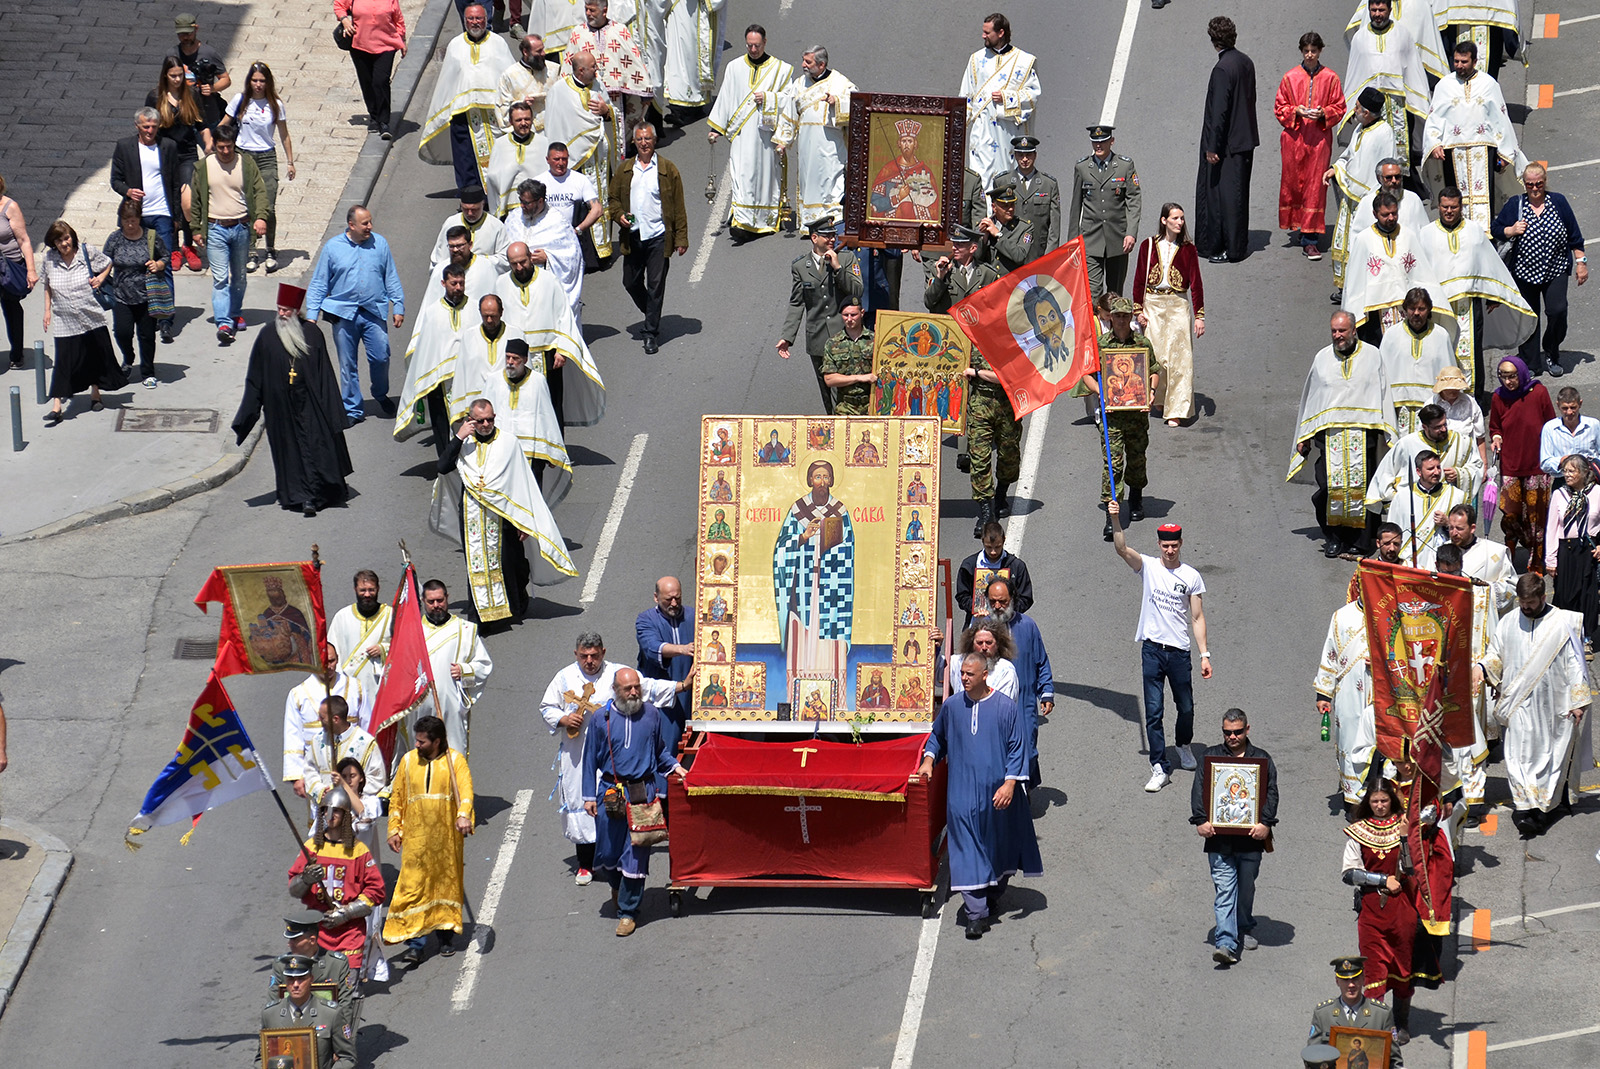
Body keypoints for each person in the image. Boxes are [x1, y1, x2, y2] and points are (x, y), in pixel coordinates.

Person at [916, 653, 1043, 939]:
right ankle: (975, 914)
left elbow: (1017, 749)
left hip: (997, 797)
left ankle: (992, 893)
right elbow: (938, 737)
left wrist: (1010, 784)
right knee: (965, 848)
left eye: (969, 674)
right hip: (960, 795)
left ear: (984, 675)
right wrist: (928, 760)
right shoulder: (951, 706)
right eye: (961, 674)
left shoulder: (1005, 707)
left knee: (999, 848)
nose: (963, 678)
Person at [542, 634, 684, 884]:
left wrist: (680, 686)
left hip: (613, 755)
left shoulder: (617, 674)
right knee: (581, 802)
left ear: (603, 652)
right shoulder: (564, 677)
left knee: (613, 810)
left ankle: (615, 859)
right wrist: (564, 719)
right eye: (584, 656)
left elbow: (646, 686)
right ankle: (585, 863)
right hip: (578, 751)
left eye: (595, 655)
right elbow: (547, 707)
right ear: (575, 654)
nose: (589, 661)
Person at [434, 398, 577, 625]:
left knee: (512, 563)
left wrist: (523, 521)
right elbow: (442, 467)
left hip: (504, 515)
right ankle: (483, 615)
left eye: (490, 419)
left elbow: (521, 483)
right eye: (480, 421)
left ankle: (517, 603)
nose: (486, 424)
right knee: (476, 564)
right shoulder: (463, 444)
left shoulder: (508, 442)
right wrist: (459, 436)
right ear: (471, 420)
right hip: (472, 515)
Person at [1477, 573, 1594, 837]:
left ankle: (1542, 809)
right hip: (1518, 705)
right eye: (1522, 602)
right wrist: (1483, 668)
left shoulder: (1564, 623)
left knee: (1549, 758)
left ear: (1543, 597)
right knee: (1518, 758)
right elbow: (1496, 653)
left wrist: (1578, 701)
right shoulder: (1508, 622)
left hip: (1554, 706)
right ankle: (1524, 808)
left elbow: (1576, 664)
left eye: (1531, 602)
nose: (1526, 608)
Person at [1109, 503, 1212, 791]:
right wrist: (1116, 519)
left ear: (1180, 544)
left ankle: (1183, 745)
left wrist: (1204, 654)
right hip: (1152, 650)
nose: (1169, 550)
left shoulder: (1191, 576)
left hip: (1179, 652)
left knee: (1186, 707)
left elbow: (1197, 616)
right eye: (1165, 545)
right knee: (1154, 711)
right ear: (1159, 545)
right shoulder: (1148, 567)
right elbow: (1121, 549)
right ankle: (1159, 766)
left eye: (1174, 545)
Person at [580, 668, 688, 936]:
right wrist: (587, 796)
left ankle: (628, 912)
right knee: (608, 852)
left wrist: (675, 767)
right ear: (616, 690)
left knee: (636, 851)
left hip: (643, 793)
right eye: (627, 688)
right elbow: (589, 758)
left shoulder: (652, 714)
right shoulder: (600, 718)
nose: (633, 692)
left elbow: (660, 750)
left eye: (636, 687)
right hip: (610, 793)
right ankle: (617, 886)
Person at [231, 284, 352, 516]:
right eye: (279, 309)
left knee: (316, 447)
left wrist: (333, 413)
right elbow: (255, 376)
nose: (282, 314)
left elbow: (325, 374)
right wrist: (248, 413)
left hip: (310, 404)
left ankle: (319, 493)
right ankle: (301, 496)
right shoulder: (267, 335)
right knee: (290, 452)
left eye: (287, 310)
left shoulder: (312, 334)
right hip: (280, 408)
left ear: (297, 311)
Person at [1290, 312, 1396, 558]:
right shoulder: (1322, 358)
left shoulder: (1372, 356)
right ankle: (1334, 538)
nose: (1337, 336)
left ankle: (1361, 541)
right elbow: (1312, 398)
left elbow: (1382, 392)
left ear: (1354, 330)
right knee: (1329, 488)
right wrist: (1304, 436)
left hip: (1364, 434)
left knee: (1364, 488)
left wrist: (1387, 429)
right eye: (1334, 331)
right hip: (1331, 436)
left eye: (1342, 331)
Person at [927, 226, 1009, 532]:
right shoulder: (944, 272)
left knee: (983, 402)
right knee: (958, 403)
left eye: (960, 245)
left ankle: (994, 486)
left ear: (973, 248)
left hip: (983, 347)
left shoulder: (988, 274)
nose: (954, 249)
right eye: (954, 245)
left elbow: (1001, 303)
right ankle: (969, 454)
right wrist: (939, 277)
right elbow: (930, 302)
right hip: (954, 348)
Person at [1421, 187, 1534, 396]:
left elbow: (1487, 263)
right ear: (1439, 207)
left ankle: (1475, 398)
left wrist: (1493, 295)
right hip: (1439, 305)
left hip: (1469, 304)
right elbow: (1420, 270)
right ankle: (1442, 396)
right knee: (1441, 349)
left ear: (1461, 207)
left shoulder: (1473, 230)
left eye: (1453, 207)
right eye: (1445, 207)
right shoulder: (1426, 234)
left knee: (1471, 351)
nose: (1448, 211)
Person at [383, 715, 474, 966]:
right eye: (416, 739)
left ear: (437, 741)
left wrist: (463, 816)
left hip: (446, 840)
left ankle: (445, 938)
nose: (416, 744)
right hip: (416, 840)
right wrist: (394, 830)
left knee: (444, 886)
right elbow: (397, 798)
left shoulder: (456, 761)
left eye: (422, 741)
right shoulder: (408, 761)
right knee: (413, 888)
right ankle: (415, 943)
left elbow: (465, 792)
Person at [1188, 709, 1276, 965]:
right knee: (1225, 889)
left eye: (1237, 732)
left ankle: (1244, 926)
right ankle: (1225, 942)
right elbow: (1199, 789)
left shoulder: (1262, 759)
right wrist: (1200, 820)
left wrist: (1266, 824)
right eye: (1227, 732)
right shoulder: (1210, 756)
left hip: (1251, 840)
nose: (1232, 736)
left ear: (1248, 729)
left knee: (1246, 889)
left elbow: (1271, 793)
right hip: (1219, 840)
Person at [306, 205, 406, 426]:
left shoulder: (380, 244)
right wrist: (311, 316)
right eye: (365, 223)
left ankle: (380, 394)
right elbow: (319, 283)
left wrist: (398, 305)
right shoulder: (333, 248)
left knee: (381, 356)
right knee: (347, 363)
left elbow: (390, 276)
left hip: (373, 312)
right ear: (351, 225)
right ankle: (352, 408)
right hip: (344, 314)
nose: (370, 226)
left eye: (370, 222)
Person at [496, 239, 604, 428]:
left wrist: (562, 349)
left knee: (552, 405)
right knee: (521, 407)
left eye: (523, 261)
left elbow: (564, 316)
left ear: (531, 258)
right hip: (516, 357)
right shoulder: (501, 284)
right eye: (514, 264)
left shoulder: (549, 280)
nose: (520, 267)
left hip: (547, 355)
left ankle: (556, 453)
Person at [1493, 164, 1588, 377]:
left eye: (1539, 184)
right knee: (1528, 317)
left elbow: (1575, 236)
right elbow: (1496, 229)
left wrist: (1581, 263)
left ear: (1544, 182)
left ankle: (1552, 351)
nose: (1535, 188)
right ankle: (1530, 362)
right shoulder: (1515, 205)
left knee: (1558, 311)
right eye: (1530, 184)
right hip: (1524, 272)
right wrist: (1511, 230)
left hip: (1555, 270)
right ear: (1524, 184)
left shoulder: (1558, 202)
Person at [1341, 782, 1418, 1038]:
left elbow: (1410, 869)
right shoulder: (1358, 831)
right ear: (1368, 803)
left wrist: (1406, 837)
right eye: (1375, 801)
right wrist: (1383, 880)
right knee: (1374, 971)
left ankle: (1402, 1021)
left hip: (1401, 911)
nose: (1380, 805)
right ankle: (1380, 1028)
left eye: (1384, 800)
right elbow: (1349, 874)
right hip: (1372, 913)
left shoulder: (1403, 825)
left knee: (1402, 967)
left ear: (1391, 801)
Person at [773, 460, 856, 696]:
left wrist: (833, 548)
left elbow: (848, 548)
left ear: (831, 480)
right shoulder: (798, 510)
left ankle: (834, 696)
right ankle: (796, 696)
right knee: (803, 642)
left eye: (826, 477)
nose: (822, 482)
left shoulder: (840, 511)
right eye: (817, 477)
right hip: (804, 589)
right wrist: (803, 537)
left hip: (832, 587)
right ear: (810, 480)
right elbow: (781, 550)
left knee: (830, 644)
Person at [1422, 42, 1526, 230]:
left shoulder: (1488, 84)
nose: (1459, 66)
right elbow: (1434, 116)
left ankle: (1485, 235)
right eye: (1456, 61)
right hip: (1452, 151)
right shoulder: (1444, 85)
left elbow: (1500, 118)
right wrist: (1435, 143)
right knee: (1456, 195)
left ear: (1475, 61)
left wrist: (1504, 152)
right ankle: (1458, 231)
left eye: (1464, 61)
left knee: (1484, 195)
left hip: (1483, 150)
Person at [287, 783, 386, 975]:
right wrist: (305, 879)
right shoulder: (312, 848)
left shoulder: (358, 851)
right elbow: (293, 888)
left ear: (346, 815)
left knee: (348, 993)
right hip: (317, 930)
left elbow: (376, 891)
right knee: (320, 993)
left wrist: (347, 912)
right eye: (326, 810)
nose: (330, 815)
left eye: (336, 811)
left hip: (349, 933)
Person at [1085, 296, 1161, 534]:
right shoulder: (1101, 344)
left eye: (1124, 316)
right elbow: (1086, 375)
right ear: (1111, 317)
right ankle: (1113, 514)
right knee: (1112, 464)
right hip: (1112, 417)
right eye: (1116, 316)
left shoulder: (1141, 344)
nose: (1120, 320)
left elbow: (1154, 371)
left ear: (1130, 318)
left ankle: (1136, 497)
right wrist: (1102, 391)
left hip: (1136, 415)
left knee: (1137, 458)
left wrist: (1150, 392)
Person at [707, 25, 791, 240]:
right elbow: (726, 96)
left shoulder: (781, 70)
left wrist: (771, 98)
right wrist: (716, 129)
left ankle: (764, 220)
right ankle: (742, 221)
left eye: (757, 45)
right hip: (742, 136)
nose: (753, 49)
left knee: (765, 178)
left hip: (766, 137)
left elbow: (790, 101)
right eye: (750, 45)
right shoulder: (734, 67)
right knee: (741, 174)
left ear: (765, 43)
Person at [420, 5, 515, 193]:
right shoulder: (455, 45)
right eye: (470, 19)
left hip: (491, 114)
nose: (475, 22)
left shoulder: (498, 43)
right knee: (465, 158)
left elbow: (510, 75)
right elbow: (447, 82)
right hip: (462, 115)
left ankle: (495, 194)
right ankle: (469, 196)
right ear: (464, 21)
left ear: (486, 19)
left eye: (479, 18)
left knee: (496, 155)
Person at [611, 123, 687, 355]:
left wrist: (681, 238)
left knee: (656, 286)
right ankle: (652, 311)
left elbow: (678, 206)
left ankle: (650, 333)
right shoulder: (625, 170)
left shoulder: (667, 169)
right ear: (634, 142)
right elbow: (613, 201)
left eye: (648, 139)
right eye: (640, 139)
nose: (644, 143)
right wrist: (620, 216)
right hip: (634, 237)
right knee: (630, 282)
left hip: (658, 237)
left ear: (654, 141)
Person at [189, 125, 268, 345]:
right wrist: (196, 229)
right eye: (221, 147)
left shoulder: (246, 164)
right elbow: (195, 200)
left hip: (241, 227)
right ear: (214, 144)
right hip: (215, 229)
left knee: (240, 276)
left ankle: (234, 312)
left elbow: (259, 192)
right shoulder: (204, 167)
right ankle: (223, 322)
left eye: (229, 147)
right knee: (221, 278)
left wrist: (260, 217)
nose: (225, 151)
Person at [777, 218, 864, 413]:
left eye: (833, 235)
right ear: (814, 238)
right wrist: (787, 337)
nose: (832, 239)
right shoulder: (800, 266)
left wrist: (837, 268)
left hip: (845, 336)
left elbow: (857, 291)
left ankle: (847, 426)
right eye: (827, 236)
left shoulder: (846, 258)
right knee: (826, 391)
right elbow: (796, 302)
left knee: (846, 389)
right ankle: (833, 425)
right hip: (818, 339)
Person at [109, 108, 180, 343]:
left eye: (154, 126)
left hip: (161, 212)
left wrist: (176, 215)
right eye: (145, 127)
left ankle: (165, 319)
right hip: (135, 215)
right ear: (137, 126)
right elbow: (115, 179)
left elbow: (175, 182)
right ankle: (130, 311)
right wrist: (128, 191)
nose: (150, 131)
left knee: (163, 264)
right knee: (129, 264)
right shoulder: (124, 146)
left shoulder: (168, 146)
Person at [39, 220, 119, 426]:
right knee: (64, 361)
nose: (64, 243)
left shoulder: (86, 252)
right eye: (59, 240)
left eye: (66, 238)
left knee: (93, 355)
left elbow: (108, 262)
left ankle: (95, 394)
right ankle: (57, 406)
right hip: (64, 319)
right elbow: (47, 285)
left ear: (72, 237)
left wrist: (101, 278)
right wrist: (47, 310)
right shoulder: (49, 259)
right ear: (53, 243)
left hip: (90, 314)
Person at [1133, 203, 1205, 426]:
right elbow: (1138, 279)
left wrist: (1199, 315)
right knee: (1155, 355)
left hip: (1177, 305)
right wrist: (1138, 310)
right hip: (1153, 304)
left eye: (1182, 218)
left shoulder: (1188, 249)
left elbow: (1196, 283)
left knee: (1180, 358)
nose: (1180, 222)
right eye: (1175, 218)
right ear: (1164, 220)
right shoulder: (1148, 245)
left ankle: (1177, 409)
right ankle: (1159, 398)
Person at [1194, 16, 1258, 264]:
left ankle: (1224, 247)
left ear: (1213, 40)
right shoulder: (1245, 62)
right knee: (1239, 195)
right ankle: (1238, 244)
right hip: (1244, 139)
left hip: (1226, 144)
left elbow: (1219, 112)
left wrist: (1212, 147)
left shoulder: (1222, 69)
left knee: (1222, 198)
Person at [1343, 194, 1449, 344]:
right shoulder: (1363, 240)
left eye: (1394, 213)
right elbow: (1355, 281)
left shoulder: (1408, 235)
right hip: (1375, 313)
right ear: (1375, 214)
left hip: (1407, 309)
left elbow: (1421, 272)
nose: (1391, 218)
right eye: (1385, 215)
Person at [1275, 32, 1344, 258]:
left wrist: (1324, 113)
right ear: (1301, 51)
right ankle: (1300, 225)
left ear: (1320, 51)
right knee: (1294, 184)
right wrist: (1296, 110)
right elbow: (1280, 107)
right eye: (1306, 51)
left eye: (1314, 51)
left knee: (1316, 186)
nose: (1310, 55)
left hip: (1319, 139)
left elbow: (1340, 107)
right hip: (1294, 139)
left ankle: (1310, 238)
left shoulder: (1331, 78)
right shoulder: (1290, 77)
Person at [544, 52, 617, 261]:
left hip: (600, 157)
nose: (597, 69)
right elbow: (554, 124)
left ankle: (604, 250)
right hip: (577, 159)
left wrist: (606, 111)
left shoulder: (597, 85)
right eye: (593, 66)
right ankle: (587, 255)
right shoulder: (560, 90)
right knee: (582, 205)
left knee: (603, 198)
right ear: (580, 70)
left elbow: (611, 115)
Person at [223, 62, 295, 273]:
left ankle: (270, 248)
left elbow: (284, 134)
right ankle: (252, 250)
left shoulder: (276, 104)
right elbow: (223, 125)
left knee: (268, 206)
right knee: (249, 205)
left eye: (262, 81)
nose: (258, 84)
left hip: (266, 156)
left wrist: (290, 162)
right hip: (244, 156)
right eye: (254, 80)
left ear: (268, 82)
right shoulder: (240, 100)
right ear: (249, 81)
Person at [773, 46, 855, 228]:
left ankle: (835, 221)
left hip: (831, 147)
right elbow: (789, 112)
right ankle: (811, 222)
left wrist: (837, 102)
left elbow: (857, 104)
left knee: (831, 182)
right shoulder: (799, 84)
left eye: (808, 62)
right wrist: (783, 141)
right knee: (809, 182)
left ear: (821, 64)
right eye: (803, 60)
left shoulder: (839, 83)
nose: (803, 65)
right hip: (807, 146)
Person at [1489, 356, 1557, 571]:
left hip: (1536, 465)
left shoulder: (1538, 392)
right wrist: (1497, 437)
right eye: (1503, 377)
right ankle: (1508, 563)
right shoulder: (1498, 397)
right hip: (1510, 465)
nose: (1508, 382)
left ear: (1522, 373)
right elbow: (1495, 426)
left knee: (1537, 518)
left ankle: (1536, 563)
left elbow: (1551, 424)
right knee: (1510, 516)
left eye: (1512, 376)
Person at [1341, 0, 1430, 162]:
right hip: (1371, 107)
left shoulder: (1403, 34)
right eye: (1373, 10)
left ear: (1390, 10)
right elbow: (1355, 75)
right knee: (1371, 151)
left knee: (1400, 156)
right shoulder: (1360, 38)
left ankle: (1398, 183)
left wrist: (1418, 101)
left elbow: (1413, 71)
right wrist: (1352, 105)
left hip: (1397, 105)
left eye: (1381, 10)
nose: (1377, 14)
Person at [144, 56, 211, 272]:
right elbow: (147, 127)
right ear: (165, 75)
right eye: (173, 76)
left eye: (180, 75)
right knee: (169, 203)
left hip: (187, 152)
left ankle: (189, 244)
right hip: (163, 154)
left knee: (188, 200)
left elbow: (202, 124)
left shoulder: (191, 94)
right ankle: (172, 247)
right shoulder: (155, 96)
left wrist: (209, 143)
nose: (177, 79)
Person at [959, 13, 1041, 188]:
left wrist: (1007, 97)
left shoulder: (1023, 61)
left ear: (1001, 33)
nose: (983, 36)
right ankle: (983, 214)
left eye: (987, 33)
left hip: (1008, 129)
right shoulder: (976, 59)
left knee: (1007, 173)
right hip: (982, 130)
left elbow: (1032, 95)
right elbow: (966, 95)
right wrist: (958, 126)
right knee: (980, 174)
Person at [1315, 586, 1377, 818]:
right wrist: (1324, 693)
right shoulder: (1342, 616)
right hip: (1349, 693)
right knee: (1350, 742)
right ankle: (1354, 800)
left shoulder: (1393, 614)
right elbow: (1330, 652)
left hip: (1382, 690)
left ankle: (1380, 799)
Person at [1326, 90, 1395, 298]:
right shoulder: (1360, 128)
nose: (1354, 111)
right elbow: (1349, 156)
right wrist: (1335, 168)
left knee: (1361, 244)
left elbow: (1387, 165)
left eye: (1357, 107)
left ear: (1368, 112)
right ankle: (1344, 286)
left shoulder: (1384, 133)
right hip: (1351, 199)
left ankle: (1361, 289)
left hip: (1368, 200)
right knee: (1344, 242)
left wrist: (1379, 197)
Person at [412, 580, 493, 755]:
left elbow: (484, 665)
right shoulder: (414, 632)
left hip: (451, 706)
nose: (436, 605)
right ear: (423, 601)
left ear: (447, 598)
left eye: (440, 600)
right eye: (431, 602)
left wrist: (465, 671)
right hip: (421, 706)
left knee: (453, 754)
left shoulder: (465, 630)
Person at [983, 578, 1051, 787]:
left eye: (1002, 601)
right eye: (993, 601)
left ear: (1012, 599)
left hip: (1023, 703)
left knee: (1028, 751)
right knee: (997, 753)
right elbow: (967, 663)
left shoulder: (1028, 626)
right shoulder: (980, 629)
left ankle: (1026, 787)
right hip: (990, 703)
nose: (997, 606)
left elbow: (1041, 661)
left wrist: (1046, 692)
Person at [396, 264, 470, 451]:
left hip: (467, 381)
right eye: (454, 283)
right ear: (443, 283)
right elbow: (425, 351)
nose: (458, 288)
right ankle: (445, 469)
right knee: (442, 430)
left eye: (461, 283)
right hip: (438, 384)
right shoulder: (433, 312)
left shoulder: (474, 308)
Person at [282, 649, 369, 803]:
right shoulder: (298, 694)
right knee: (323, 822)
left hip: (353, 773)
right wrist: (296, 777)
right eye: (323, 662)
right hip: (319, 774)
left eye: (332, 661)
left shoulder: (356, 688)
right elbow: (293, 736)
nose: (328, 666)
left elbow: (368, 727)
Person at [1375, 289, 1462, 438]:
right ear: (1405, 309)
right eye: (1412, 308)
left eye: (1421, 309)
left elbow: (1449, 377)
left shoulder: (1441, 336)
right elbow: (1380, 376)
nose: (1416, 313)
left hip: (1430, 410)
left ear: (1429, 310)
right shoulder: (1391, 335)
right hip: (1398, 410)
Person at [1067, 125, 1141, 301]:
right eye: (1095, 141)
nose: (1098, 145)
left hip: (1118, 239)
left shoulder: (1125, 166)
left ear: (1111, 141)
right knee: (1092, 292)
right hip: (1091, 239)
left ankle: (1115, 328)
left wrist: (1131, 233)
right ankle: (1095, 328)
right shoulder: (1082, 167)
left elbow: (1134, 200)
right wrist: (1073, 240)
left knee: (1115, 294)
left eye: (1103, 141)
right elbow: (1075, 205)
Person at [562, 0, 653, 140]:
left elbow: (634, 60)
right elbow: (569, 64)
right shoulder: (578, 33)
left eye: (592, 10)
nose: (588, 14)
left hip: (615, 95)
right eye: (586, 9)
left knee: (616, 134)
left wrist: (644, 87)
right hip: (587, 93)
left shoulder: (620, 30)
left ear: (604, 11)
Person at [1366, 403, 1482, 511]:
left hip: (1447, 507)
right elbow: (1386, 473)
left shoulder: (1461, 442)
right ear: (1425, 427)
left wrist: (1459, 474)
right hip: (1414, 507)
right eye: (1437, 427)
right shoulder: (1406, 444)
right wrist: (1397, 499)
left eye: (1444, 424)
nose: (1443, 429)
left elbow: (1477, 467)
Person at [102, 198, 168, 388]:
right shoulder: (115, 238)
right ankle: (128, 356)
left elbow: (165, 256)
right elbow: (106, 262)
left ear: (140, 219)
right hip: (121, 295)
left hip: (147, 295)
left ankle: (148, 371)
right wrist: (100, 277)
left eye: (133, 220)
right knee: (122, 332)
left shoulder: (150, 236)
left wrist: (159, 264)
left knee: (147, 335)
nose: (130, 225)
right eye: (126, 220)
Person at [261, 955, 356, 1069]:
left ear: (311, 979)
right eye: (291, 979)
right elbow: (260, 1059)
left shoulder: (331, 1014)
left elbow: (348, 1057)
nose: (295, 985)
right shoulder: (270, 1014)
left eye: (301, 978)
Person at [1545, 455, 1600, 645]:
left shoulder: (1597, 492)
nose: (1567, 475)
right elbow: (1551, 529)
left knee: (1587, 595)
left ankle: (1586, 638)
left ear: (1584, 472)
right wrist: (1550, 560)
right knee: (1565, 594)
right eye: (1565, 471)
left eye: (1571, 471)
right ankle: (1567, 637)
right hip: (1566, 550)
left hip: (1588, 551)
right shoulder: (1559, 494)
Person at [268, 910, 358, 1026]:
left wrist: (338, 1034)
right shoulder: (281, 965)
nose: (289, 944)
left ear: (312, 940)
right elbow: (272, 1003)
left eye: (295, 940)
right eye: (290, 939)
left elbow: (345, 1004)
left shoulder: (336, 964)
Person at [336, 0, 408, 139]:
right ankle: (374, 117)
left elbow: (398, 18)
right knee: (367, 82)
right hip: (360, 44)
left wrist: (402, 40)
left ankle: (384, 121)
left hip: (386, 44)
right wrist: (345, 20)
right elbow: (339, 5)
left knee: (380, 81)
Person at [300, 696, 387, 809]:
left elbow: (377, 777)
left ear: (335, 719)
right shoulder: (317, 740)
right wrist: (321, 791)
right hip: (326, 809)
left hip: (355, 811)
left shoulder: (365, 743)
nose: (318, 720)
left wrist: (349, 793)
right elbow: (309, 770)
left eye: (322, 718)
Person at [1309, 955, 1403, 1060]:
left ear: (1363, 979)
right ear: (1337, 981)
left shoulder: (1381, 1014)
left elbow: (1394, 1060)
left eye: (1355, 979)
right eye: (1345, 980)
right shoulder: (1323, 1014)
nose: (1351, 985)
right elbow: (1312, 1056)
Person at [636, 577, 694, 735]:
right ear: (656, 597)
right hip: (662, 700)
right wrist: (682, 649)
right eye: (669, 599)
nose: (674, 603)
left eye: (678, 598)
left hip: (692, 697)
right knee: (665, 747)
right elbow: (652, 647)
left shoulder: (694, 617)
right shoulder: (645, 620)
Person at [327, 570, 392, 701]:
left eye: (371, 590)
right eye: (363, 590)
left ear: (378, 589)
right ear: (355, 589)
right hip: (349, 688)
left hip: (381, 687)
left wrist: (384, 649)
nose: (367, 595)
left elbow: (406, 647)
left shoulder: (391, 615)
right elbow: (332, 652)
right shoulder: (342, 617)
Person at [991, 136, 1060, 258]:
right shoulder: (1002, 181)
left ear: (1035, 155)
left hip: (1038, 250)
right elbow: (996, 218)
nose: (1024, 159)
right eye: (1020, 155)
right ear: (1015, 155)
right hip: (1009, 249)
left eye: (1028, 155)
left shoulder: (1049, 184)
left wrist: (1050, 255)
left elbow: (1054, 225)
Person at [957, 521, 1034, 627]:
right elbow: (962, 596)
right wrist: (975, 608)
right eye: (988, 547)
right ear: (982, 541)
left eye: (997, 547)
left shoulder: (1017, 566)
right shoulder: (969, 565)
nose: (993, 552)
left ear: (1004, 540)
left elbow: (1026, 598)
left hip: (1009, 626)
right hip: (977, 624)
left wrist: (1008, 610)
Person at [659, 0, 724, 115]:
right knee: (674, 54)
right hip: (677, 10)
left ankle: (695, 104)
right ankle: (677, 105)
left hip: (698, 14)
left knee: (691, 58)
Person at [484, 101, 548, 218]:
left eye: (527, 119)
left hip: (537, 209)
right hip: (509, 208)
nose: (523, 123)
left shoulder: (543, 142)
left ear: (532, 119)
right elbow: (492, 178)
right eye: (519, 120)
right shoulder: (500, 144)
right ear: (511, 122)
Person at [0, 175, 37, 370]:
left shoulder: (9, 207)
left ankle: (16, 352)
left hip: (8, 266)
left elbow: (24, 240)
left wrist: (31, 270)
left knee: (11, 308)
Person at [173, 13, 232, 131]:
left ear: (196, 29)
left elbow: (226, 79)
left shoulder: (209, 53)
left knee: (212, 148)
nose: (185, 37)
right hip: (183, 114)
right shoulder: (173, 54)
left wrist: (213, 88)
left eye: (188, 33)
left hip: (207, 113)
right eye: (181, 34)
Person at [819, 299, 874, 415]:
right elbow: (829, 379)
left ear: (862, 313)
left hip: (872, 406)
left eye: (853, 315)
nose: (849, 319)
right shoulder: (833, 343)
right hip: (845, 408)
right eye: (845, 315)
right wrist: (859, 378)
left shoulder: (875, 340)